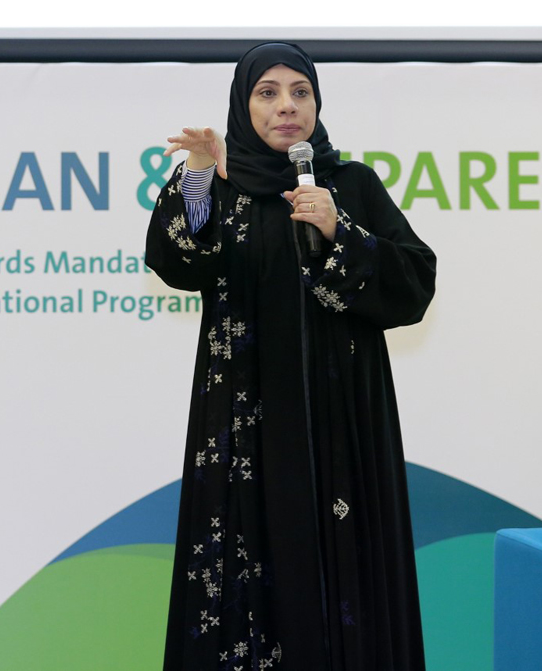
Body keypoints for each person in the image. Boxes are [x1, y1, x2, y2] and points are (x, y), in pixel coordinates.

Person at [146, 42, 435, 670]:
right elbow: (178, 262)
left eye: (300, 92)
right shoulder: (225, 187)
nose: (286, 107)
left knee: (346, 574)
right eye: (268, 92)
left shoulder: (350, 184)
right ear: (243, 105)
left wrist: (340, 231)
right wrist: (198, 173)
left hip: (342, 423)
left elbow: (414, 285)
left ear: (317, 105)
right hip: (245, 423)